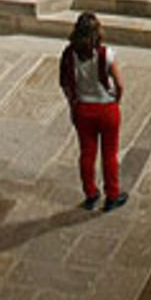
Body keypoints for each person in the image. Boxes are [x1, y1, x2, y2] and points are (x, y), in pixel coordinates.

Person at [59, 12, 127, 212]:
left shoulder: (69, 54)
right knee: (109, 153)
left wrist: (72, 103)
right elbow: (120, 84)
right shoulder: (106, 54)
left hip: (83, 108)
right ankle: (112, 195)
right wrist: (117, 99)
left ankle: (90, 193)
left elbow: (64, 84)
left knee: (86, 154)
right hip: (106, 108)